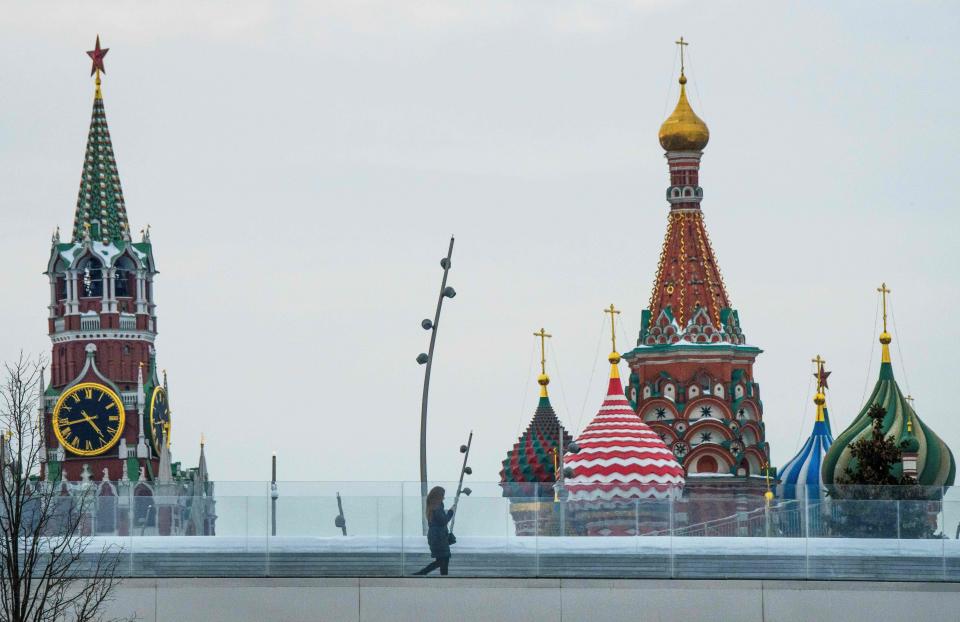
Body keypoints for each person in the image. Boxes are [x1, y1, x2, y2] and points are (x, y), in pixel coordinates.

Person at [413, 486, 456, 576]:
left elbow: (440, 520)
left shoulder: (432, 506)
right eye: (443, 496)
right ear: (438, 496)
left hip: (436, 536)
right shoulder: (437, 507)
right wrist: (451, 512)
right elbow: (443, 521)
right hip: (439, 537)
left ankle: (441, 578)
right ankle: (422, 573)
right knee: (443, 560)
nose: (444, 498)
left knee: (442, 560)